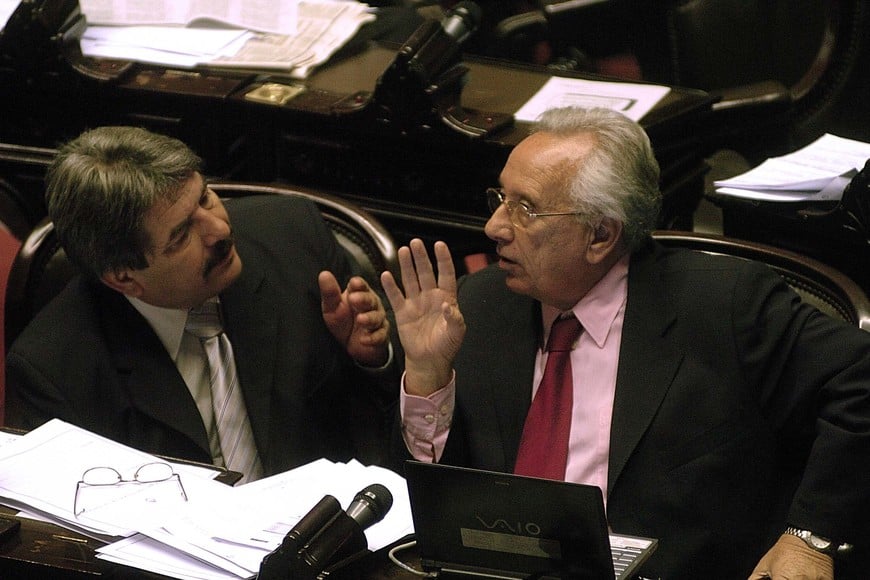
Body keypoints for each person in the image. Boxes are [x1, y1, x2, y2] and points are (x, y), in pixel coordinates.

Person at [380, 107, 870, 579]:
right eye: (500, 198)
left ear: (600, 235)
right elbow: (454, 501)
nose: (495, 228)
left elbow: (860, 382)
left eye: (525, 209)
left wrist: (810, 535)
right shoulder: (481, 306)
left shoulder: (724, 308)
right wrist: (428, 375)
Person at [5, 126, 397, 482]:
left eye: (206, 198)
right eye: (181, 236)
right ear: (124, 278)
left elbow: (382, 429)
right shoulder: (55, 369)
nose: (221, 230)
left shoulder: (295, 242)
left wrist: (372, 358)